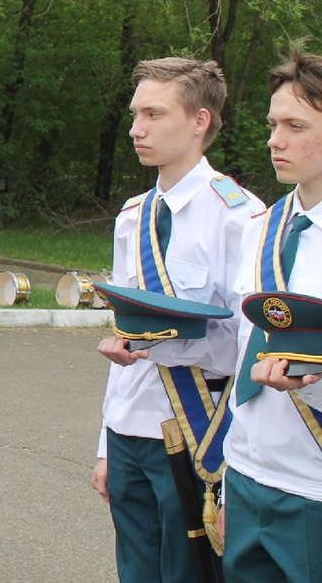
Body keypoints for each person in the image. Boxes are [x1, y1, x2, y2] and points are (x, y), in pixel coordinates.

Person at [90, 58, 261, 582]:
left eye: (153, 114)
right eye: (135, 114)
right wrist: (104, 444)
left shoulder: (239, 216)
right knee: (135, 571)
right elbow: (125, 336)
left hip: (196, 433)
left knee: (192, 573)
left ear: (199, 120)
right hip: (129, 428)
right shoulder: (132, 215)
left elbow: (246, 345)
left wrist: (156, 344)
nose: (136, 129)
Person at [222, 48, 322, 580]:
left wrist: (311, 383)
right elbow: (241, 345)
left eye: (294, 125)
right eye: (271, 124)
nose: (274, 140)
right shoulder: (261, 227)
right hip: (247, 471)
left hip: (313, 486)